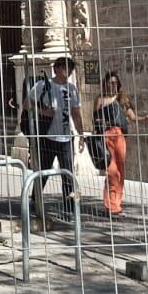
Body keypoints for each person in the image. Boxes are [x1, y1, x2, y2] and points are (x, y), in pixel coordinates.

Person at [32, 57, 85, 218]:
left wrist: (81, 134)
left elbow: (76, 113)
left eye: (69, 68)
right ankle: (35, 201)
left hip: (66, 137)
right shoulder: (43, 85)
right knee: (43, 172)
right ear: (56, 69)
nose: (66, 71)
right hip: (48, 136)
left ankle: (69, 208)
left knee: (68, 173)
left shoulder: (72, 89)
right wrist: (43, 112)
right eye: (63, 67)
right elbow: (28, 104)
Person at [93, 72, 148, 217]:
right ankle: (110, 205)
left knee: (120, 171)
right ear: (105, 83)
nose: (113, 85)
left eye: (115, 82)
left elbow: (132, 117)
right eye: (110, 82)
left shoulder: (122, 99)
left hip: (119, 136)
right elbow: (95, 120)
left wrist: (144, 118)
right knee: (111, 171)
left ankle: (115, 204)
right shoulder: (100, 99)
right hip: (105, 135)